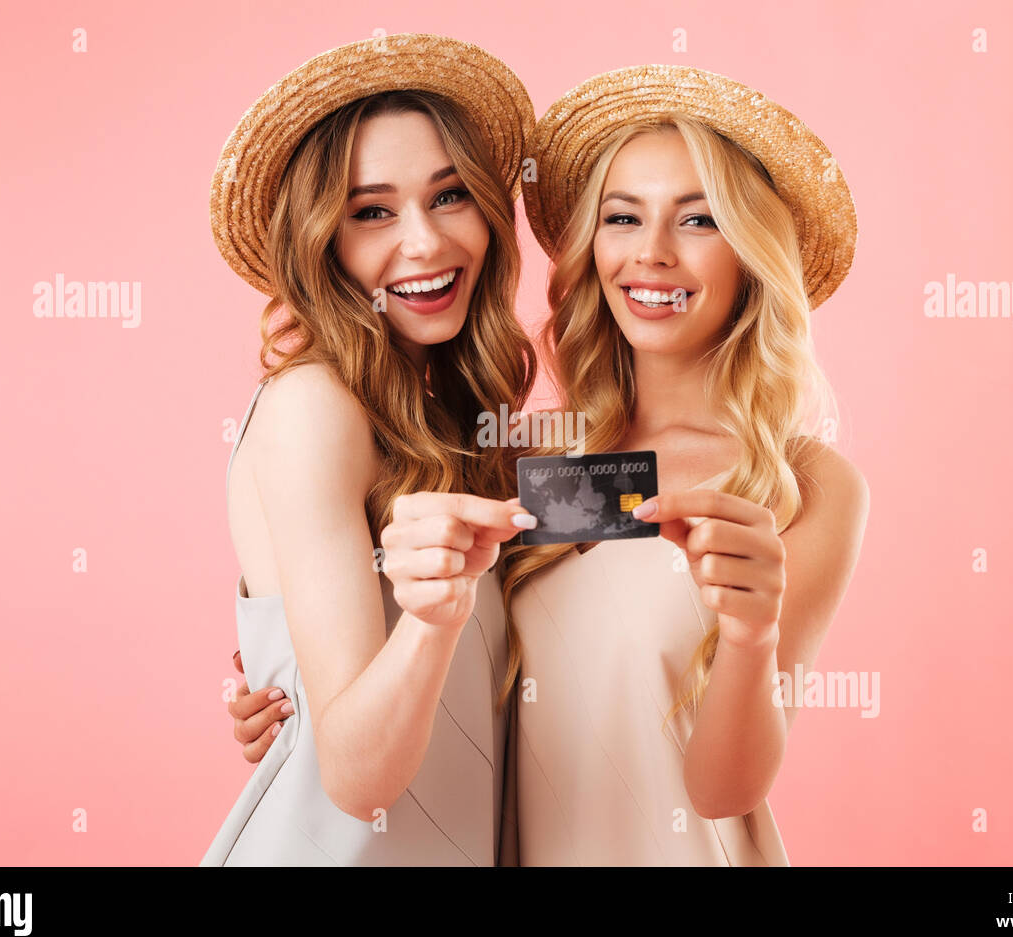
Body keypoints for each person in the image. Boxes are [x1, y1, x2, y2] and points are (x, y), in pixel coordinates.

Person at [233, 64, 870, 867]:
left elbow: (723, 794)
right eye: (622, 217)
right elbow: (413, 672)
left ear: (753, 250)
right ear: (591, 247)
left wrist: (750, 635)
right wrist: (283, 679)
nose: (653, 254)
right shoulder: (532, 463)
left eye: (700, 220)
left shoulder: (804, 487)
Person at [200, 34, 537, 866]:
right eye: (372, 211)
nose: (423, 243)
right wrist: (428, 624)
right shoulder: (317, 407)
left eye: (450, 195)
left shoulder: (444, 414)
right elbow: (357, 775)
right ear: (322, 239)